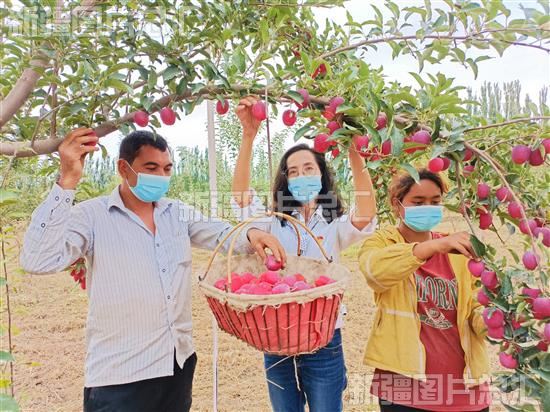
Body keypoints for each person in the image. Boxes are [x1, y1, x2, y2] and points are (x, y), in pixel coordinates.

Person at [19, 128, 286, 412]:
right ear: (124, 168)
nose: (160, 176)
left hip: (177, 365)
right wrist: (67, 181)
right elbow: (38, 260)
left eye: (166, 168)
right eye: (151, 168)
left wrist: (252, 234)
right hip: (120, 375)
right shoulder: (92, 216)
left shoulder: (176, 212)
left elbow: (221, 234)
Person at [231, 96, 378, 412]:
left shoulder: (333, 223)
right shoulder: (274, 221)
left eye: (308, 168)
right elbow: (241, 199)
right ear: (286, 179)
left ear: (322, 174)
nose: (301, 176)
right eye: (293, 171)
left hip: (323, 338)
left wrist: (354, 151)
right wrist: (248, 136)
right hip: (275, 335)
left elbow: (366, 213)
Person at [357, 168, 491, 412]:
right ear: (397, 204)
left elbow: (474, 310)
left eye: (435, 202)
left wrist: (498, 318)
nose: (427, 207)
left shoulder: (458, 251)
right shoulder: (384, 242)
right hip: (405, 390)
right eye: (418, 202)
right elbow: (375, 271)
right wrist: (432, 247)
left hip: (464, 389)